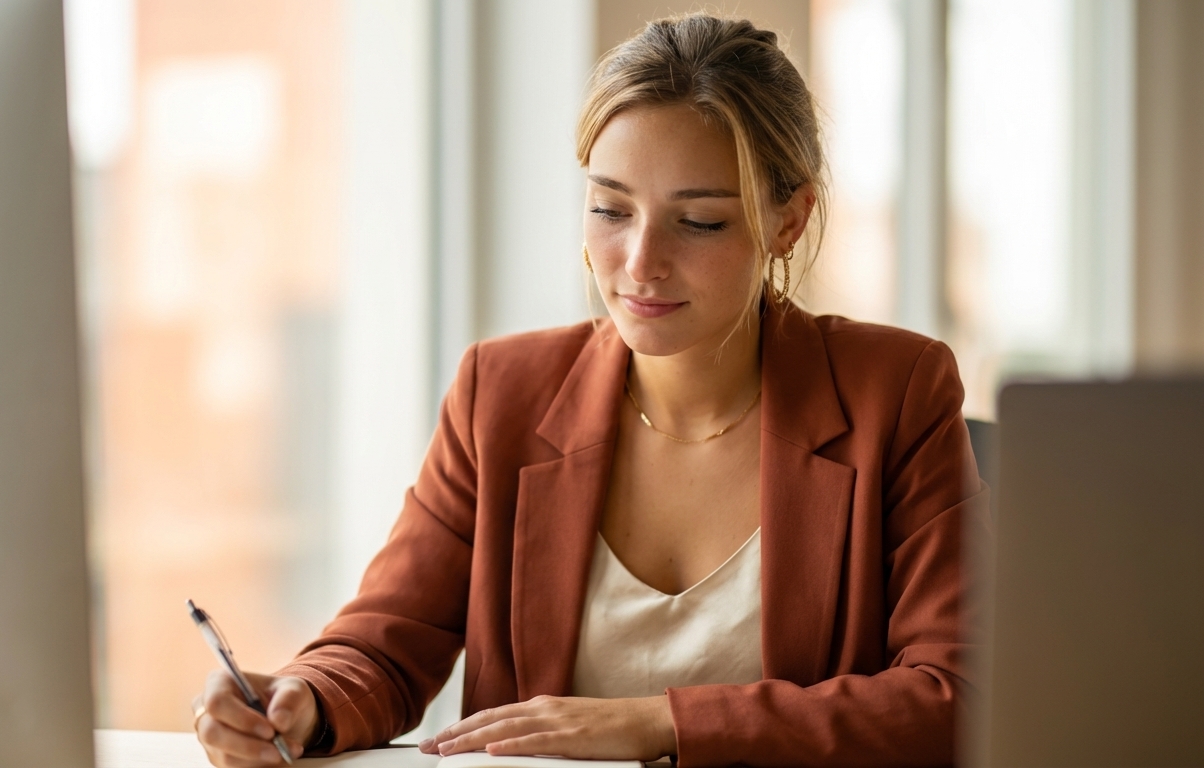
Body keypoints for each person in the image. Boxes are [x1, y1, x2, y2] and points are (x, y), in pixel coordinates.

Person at [192, 13, 987, 768]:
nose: (640, 262)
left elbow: (958, 698)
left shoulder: (897, 392)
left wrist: (659, 722)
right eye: (610, 209)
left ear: (788, 221)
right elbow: (383, 644)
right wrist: (304, 696)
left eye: (700, 222)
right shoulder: (500, 393)